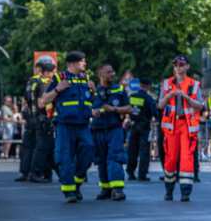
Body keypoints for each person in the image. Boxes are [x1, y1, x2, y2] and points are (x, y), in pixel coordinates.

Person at [39, 51, 94, 203]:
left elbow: (91, 101)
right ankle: (69, 191)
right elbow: (43, 101)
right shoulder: (59, 78)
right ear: (72, 63)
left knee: (89, 151)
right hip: (64, 125)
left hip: (83, 125)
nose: (85, 64)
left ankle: (77, 181)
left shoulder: (86, 79)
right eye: (82, 61)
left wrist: (93, 91)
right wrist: (58, 89)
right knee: (64, 158)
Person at [158, 55, 203, 201]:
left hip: (187, 126)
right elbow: (160, 105)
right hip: (171, 126)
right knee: (170, 158)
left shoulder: (194, 84)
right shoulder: (166, 84)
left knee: (186, 158)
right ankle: (169, 190)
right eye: (176, 64)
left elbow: (201, 106)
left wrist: (187, 98)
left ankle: (185, 192)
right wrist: (170, 94)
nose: (178, 67)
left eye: (182, 64)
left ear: (187, 67)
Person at [91, 65, 130, 201]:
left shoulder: (119, 89)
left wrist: (114, 109)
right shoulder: (92, 91)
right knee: (101, 160)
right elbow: (85, 107)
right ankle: (105, 188)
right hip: (97, 130)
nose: (112, 74)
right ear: (100, 73)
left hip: (114, 129)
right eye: (108, 72)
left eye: (113, 71)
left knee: (115, 157)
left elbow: (129, 108)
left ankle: (117, 189)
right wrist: (92, 112)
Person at [30, 58, 57, 183]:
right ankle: (35, 173)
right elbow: (41, 103)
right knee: (42, 148)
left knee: (48, 147)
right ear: (47, 72)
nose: (54, 74)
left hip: (44, 119)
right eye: (52, 72)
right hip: (43, 119)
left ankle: (48, 173)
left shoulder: (41, 82)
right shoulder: (43, 84)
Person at [126, 78, 157, 181]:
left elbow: (129, 109)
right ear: (148, 86)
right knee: (144, 151)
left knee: (132, 150)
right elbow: (155, 113)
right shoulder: (149, 99)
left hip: (133, 126)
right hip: (145, 127)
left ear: (140, 85)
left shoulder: (132, 96)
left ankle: (130, 173)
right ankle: (142, 174)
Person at [16, 67, 41, 181]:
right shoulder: (41, 81)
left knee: (27, 147)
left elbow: (25, 100)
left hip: (29, 118)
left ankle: (25, 172)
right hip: (38, 118)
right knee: (38, 147)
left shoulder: (30, 82)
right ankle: (35, 173)